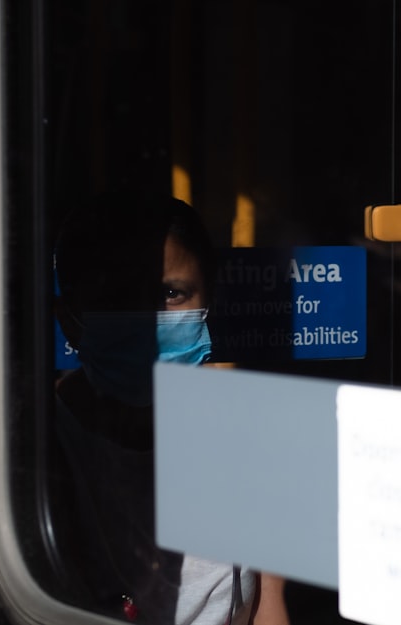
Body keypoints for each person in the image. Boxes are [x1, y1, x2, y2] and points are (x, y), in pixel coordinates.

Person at [48, 193, 287, 625]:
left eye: (171, 294)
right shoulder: (35, 454)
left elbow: (267, 609)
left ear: (210, 302)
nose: (145, 320)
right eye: (117, 297)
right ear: (69, 320)